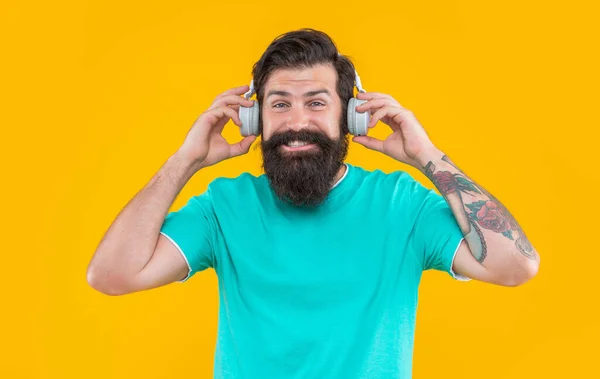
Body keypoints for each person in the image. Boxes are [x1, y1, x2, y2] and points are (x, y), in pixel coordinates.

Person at [87, 28, 540, 379]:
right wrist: (184, 162)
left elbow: (515, 266)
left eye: (316, 103)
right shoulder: (224, 207)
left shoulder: (403, 206)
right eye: (279, 104)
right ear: (254, 118)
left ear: (348, 116)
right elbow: (112, 275)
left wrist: (427, 156)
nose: (296, 121)